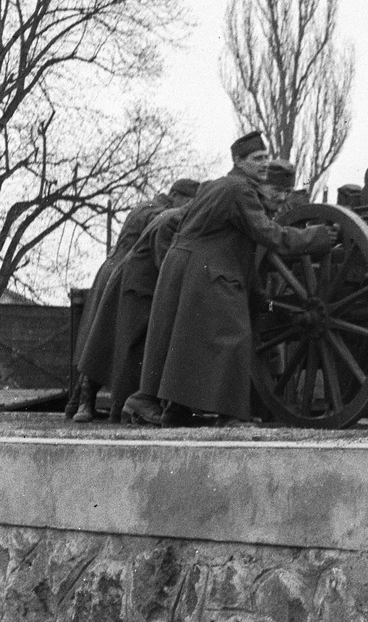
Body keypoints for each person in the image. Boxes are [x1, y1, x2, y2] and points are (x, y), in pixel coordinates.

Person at [123, 133, 336, 427]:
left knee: (186, 339)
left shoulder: (216, 185)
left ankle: (173, 409)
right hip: (209, 268)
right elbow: (269, 235)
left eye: (266, 157)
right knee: (233, 335)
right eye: (257, 159)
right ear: (238, 160)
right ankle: (229, 415)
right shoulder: (240, 190)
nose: (264, 164)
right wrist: (317, 237)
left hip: (186, 263)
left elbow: (183, 224)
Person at [72, 179, 201, 422]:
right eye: (189, 202)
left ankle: (81, 404)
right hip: (127, 273)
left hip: (112, 269)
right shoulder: (159, 213)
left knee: (100, 340)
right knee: (110, 341)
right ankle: (92, 405)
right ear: (178, 195)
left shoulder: (145, 206)